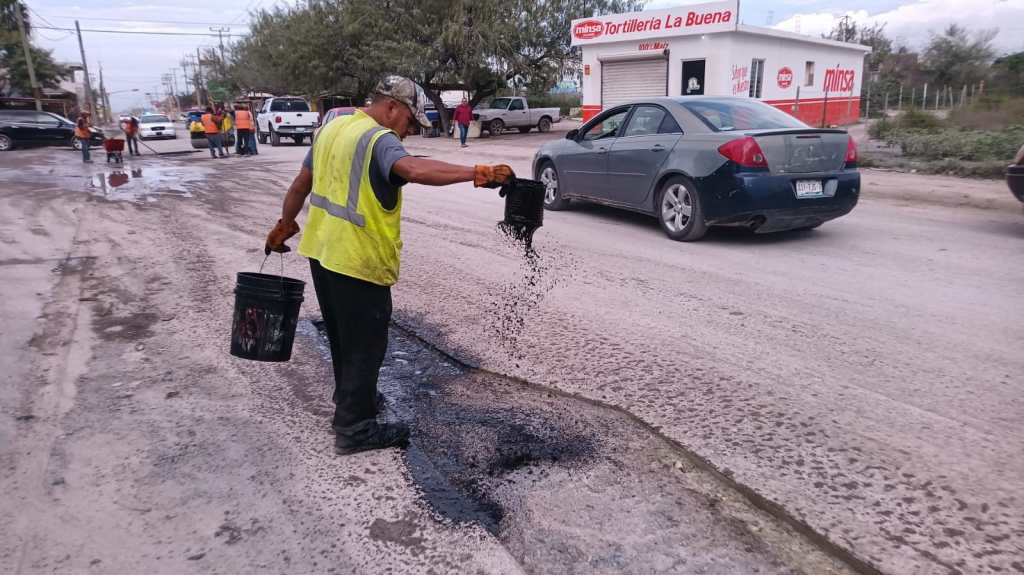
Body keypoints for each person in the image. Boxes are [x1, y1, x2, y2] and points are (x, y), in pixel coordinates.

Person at [264, 75, 514, 455]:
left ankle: (350, 400)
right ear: (391, 107)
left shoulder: (333, 127)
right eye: (410, 122)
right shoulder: (380, 139)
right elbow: (414, 170)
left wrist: (285, 224)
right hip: (356, 259)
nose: (409, 131)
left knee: (342, 337)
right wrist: (476, 173)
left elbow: (301, 183)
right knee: (366, 344)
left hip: (321, 252)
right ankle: (355, 429)